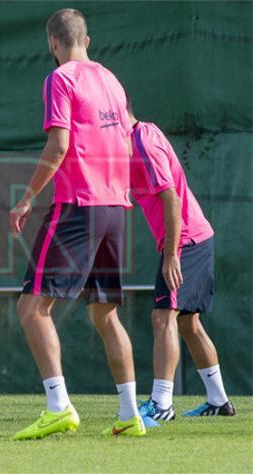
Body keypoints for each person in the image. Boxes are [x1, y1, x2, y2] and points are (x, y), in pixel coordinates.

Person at [9, 8, 145, 439]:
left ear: (53, 43)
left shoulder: (60, 78)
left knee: (32, 307)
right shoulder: (112, 79)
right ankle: (129, 414)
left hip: (78, 206)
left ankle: (59, 406)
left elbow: (59, 143)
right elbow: (126, 141)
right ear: (87, 39)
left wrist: (27, 198)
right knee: (106, 315)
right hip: (115, 209)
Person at [127, 100, 235, 424]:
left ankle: (161, 403)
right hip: (195, 236)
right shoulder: (138, 139)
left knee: (163, 318)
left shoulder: (141, 139)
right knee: (188, 322)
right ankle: (218, 400)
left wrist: (172, 253)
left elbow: (171, 197)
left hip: (185, 240)